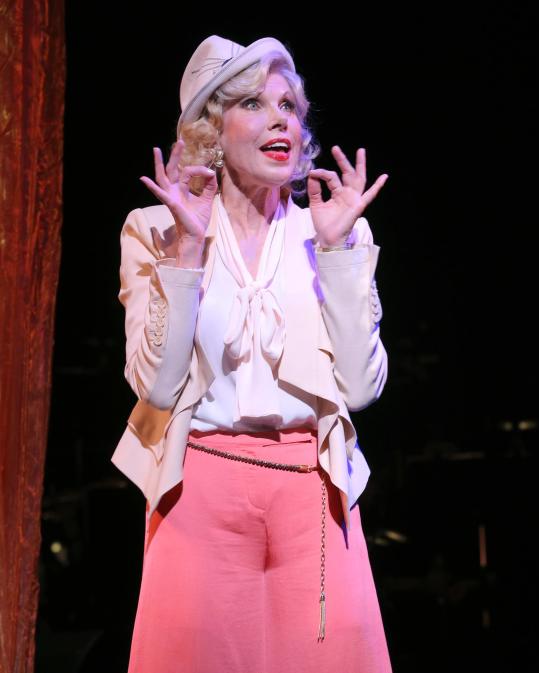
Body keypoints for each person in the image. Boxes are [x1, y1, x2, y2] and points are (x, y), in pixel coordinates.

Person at [111, 35, 391, 673]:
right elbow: (155, 388)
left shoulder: (331, 229)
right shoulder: (153, 228)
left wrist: (340, 254)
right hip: (199, 495)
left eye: (289, 105)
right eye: (253, 104)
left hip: (311, 495)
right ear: (211, 129)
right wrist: (187, 250)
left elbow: (361, 387)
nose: (280, 120)